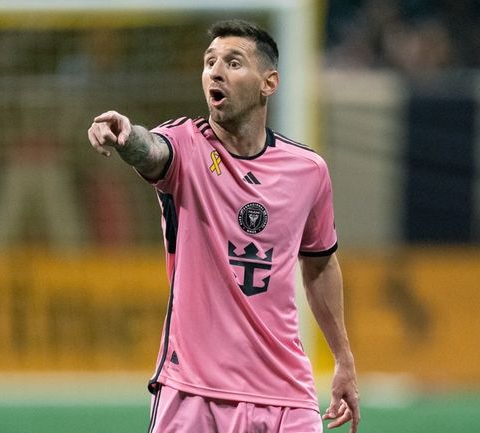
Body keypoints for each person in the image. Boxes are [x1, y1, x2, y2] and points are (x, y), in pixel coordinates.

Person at [87, 19, 360, 433]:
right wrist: (128, 138)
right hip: (194, 392)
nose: (215, 71)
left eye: (233, 63)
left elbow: (320, 263)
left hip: (286, 394)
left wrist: (343, 358)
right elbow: (152, 151)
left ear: (269, 83)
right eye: (209, 62)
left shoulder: (308, 171)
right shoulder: (185, 144)